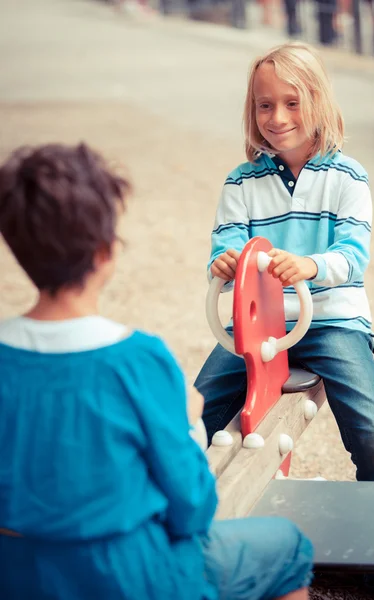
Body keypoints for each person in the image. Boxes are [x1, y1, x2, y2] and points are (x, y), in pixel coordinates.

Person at [0, 143, 313, 600]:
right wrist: (189, 424)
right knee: (287, 547)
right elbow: (193, 509)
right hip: (131, 577)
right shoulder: (137, 361)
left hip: (18, 576)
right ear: (105, 252)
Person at [194, 42, 374, 485]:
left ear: (318, 103)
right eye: (265, 105)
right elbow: (224, 245)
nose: (278, 118)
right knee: (199, 417)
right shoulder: (241, 182)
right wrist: (224, 263)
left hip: (331, 321)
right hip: (257, 327)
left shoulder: (348, 177)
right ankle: (196, 510)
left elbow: (352, 257)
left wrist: (310, 265)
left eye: (292, 103)